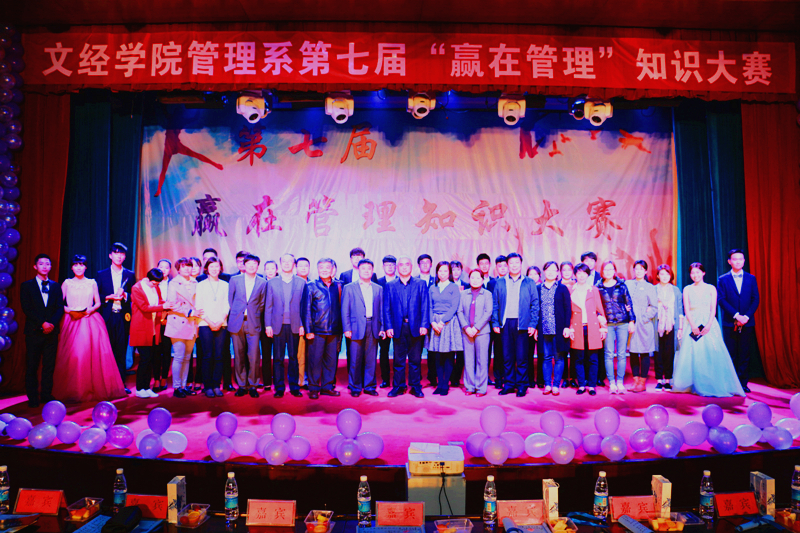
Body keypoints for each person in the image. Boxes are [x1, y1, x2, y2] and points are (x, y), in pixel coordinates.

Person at [52, 255, 127, 402]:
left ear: (86, 267)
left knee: (89, 355)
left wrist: (90, 310)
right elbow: (59, 304)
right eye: (76, 265)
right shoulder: (67, 283)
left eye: (81, 265)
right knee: (73, 356)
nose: (79, 267)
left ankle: (90, 388)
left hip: (89, 320)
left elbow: (98, 302)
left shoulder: (92, 282)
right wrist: (71, 311)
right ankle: (73, 389)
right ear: (71, 267)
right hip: (71, 320)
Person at [672, 263, 745, 397]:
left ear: (703, 273)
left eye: (698, 272)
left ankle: (711, 383)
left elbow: (713, 309)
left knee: (711, 352)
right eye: (692, 273)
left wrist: (709, 324)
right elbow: (686, 309)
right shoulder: (687, 289)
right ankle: (692, 383)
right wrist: (693, 325)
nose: (695, 275)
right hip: (692, 322)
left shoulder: (711, 288)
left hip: (708, 322)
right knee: (693, 353)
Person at [491, 253, 540, 397]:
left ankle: (522, 385)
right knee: (507, 357)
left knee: (522, 357)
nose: (514, 265)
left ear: (521, 264)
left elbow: (535, 304)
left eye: (517, 262)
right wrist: (495, 322)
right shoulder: (500, 282)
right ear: (507, 265)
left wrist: (533, 324)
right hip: (505, 323)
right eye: (511, 263)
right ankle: (509, 384)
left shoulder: (529, 282)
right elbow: (495, 304)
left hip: (522, 324)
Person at [20, 254, 64, 407]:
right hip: (33, 331)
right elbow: (27, 308)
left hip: (51, 332)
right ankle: (32, 397)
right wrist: (42, 323)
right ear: (35, 266)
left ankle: (46, 394)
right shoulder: (26, 286)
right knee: (32, 365)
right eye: (41, 264)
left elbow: (59, 308)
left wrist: (51, 324)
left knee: (49, 366)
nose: (45, 266)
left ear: (51, 267)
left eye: (47, 264)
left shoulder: (56, 286)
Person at [384, 256, 430, 398]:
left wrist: (424, 324)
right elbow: (386, 308)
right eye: (401, 265)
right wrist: (388, 326)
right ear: (397, 267)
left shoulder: (420, 284)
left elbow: (425, 305)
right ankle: (398, 386)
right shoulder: (390, 285)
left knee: (415, 360)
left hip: (416, 326)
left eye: (407, 264)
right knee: (398, 360)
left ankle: (415, 386)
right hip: (398, 327)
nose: (404, 267)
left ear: (411, 267)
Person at [717, 249, 760, 393]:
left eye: (740, 259)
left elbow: (755, 299)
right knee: (731, 354)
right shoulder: (723, 279)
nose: (738, 261)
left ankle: (743, 383)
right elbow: (721, 300)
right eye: (735, 259)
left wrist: (746, 317)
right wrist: (736, 315)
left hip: (747, 322)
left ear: (744, 261)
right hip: (730, 322)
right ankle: (731, 384)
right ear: (729, 261)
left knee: (744, 353)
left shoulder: (751, 278)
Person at [265, 253, 306, 398]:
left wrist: (302, 324)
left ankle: (294, 387)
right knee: (278, 358)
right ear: (280, 264)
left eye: (290, 261)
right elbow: (268, 306)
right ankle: (279, 387)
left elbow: (304, 306)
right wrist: (268, 325)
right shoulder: (272, 283)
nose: (287, 263)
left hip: (295, 325)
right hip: (277, 325)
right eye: (284, 261)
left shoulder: (301, 282)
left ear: (294, 264)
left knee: (294, 357)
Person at [96, 243, 136, 394]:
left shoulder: (129, 274)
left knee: (121, 350)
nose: (119, 256)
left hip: (122, 317)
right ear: (110, 255)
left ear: (125, 257)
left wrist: (125, 295)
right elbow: (96, 295)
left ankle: (120, 383)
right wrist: (108, 297)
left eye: (122, 254)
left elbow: (134, 295)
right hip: (106, 316)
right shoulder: (101, 274)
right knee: (106, 351)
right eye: (116, 253)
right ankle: (105, 383)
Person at [342, 258, 385, 397]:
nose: (366, 271)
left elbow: (382, 310)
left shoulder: (378, 288)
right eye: (363, 268)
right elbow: (345, 309)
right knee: (355, 358)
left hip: (373, 326)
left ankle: (369, 386)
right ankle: (355, 386)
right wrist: (346, 328)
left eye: (369, 268)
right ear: (358, 270)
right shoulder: (349, 287)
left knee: (371, 359)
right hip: (355, 327)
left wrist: (382, 327)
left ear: (372, 271)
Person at [303, 258, 343, 399]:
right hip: (317, 330)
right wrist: (309, 330)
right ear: (318, 269)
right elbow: (306, 310)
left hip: (335, 330)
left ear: (332, 269)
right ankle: (314, 387)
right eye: (321, 267)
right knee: (315, 360)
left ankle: (327, 387)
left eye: (327, 267)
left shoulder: (339, 286)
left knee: (331, 361)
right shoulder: (311, 286)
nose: (324, 270)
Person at [130, 268, 173, 398]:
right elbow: (144, 307)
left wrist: (168, 304)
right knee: (145, 358)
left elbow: (159, 301)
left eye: (157, 284)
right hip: (141, 327)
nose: (155, 286)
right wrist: (163, 306)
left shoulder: (156, 287)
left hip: (153, 327)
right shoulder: (137, 288)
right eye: (154, 283)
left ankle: (146, 387)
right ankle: (139, 388)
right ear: (148, 279)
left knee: (150, 359)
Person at [228, 253, 267, 398]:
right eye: (248, 263)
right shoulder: (235, 280)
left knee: (254, 355)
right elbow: (230, 300)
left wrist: (253, 314)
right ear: (244, 265)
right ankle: (242, 385)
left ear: (258, 266)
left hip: (253, 322)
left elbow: (262, 303)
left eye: (254, 264)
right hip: (237, 322)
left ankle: (253, 385)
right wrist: (237, 312)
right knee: (238, 355)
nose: (251, 266)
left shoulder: (262, 282)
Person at [596, 261, 636, 394]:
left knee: (621, 354)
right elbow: (595, 306)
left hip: (622, 323)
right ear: (602, 272)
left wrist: (632, 321)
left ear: (614, 271)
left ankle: (620, 382)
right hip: (607, 324)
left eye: (611, 269)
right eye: (605, 269)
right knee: (608, 353)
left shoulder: (622, 285)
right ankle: (612, 383)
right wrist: (598, 316)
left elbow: (629, 303)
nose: (608, 272)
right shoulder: (598, 287)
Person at [567, 263, 607, 396]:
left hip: (593, 328)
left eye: (584, 273)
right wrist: (570, 327)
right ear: (575, 275)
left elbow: (600, 309)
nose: (581, 275)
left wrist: (603, 328)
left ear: (588, 275)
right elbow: (568, 312)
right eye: (579, 273)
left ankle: (592, 386)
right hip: (577, 328)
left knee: (593, 358)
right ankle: (581, 385)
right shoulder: (570, 290)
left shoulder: (593, 290)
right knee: (578, 358)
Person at [165, 257, 201, 398]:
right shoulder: (173, 283)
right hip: (178, 323)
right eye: (183, 266)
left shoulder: (195, 282)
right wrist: (190, 311)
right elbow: (172, 303)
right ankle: (176, 387)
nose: (187, 269)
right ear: (178, 269)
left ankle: (184, 386)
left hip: (192, 323)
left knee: (187, 357)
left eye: (189, 266)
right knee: (179, 356)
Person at [535, 261, 572, 396]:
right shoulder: (538, 288)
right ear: (544, 272)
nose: (550, 272)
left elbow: (568, 309)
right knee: (546, 357)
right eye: (548, 270)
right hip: (543, 329)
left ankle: (556, 385)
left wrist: (567, 327)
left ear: (557, 273)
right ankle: (547, 385)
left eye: (553, 270)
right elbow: (535, 309)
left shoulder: (562, 288)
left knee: (559, 358)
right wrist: (536, 328)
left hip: (559, 329)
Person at [426, 261, 463, 396]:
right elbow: (429, 306)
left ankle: (445, 384)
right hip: (435, 322)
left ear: (449, 273)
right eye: (440, 271)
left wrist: (442, 322)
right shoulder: (432, 288)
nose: (442, 273)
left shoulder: (454, 287)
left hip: (448, 322)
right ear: (437, 273)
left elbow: (454, 307)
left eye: (445, 271)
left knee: (448, 355)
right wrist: (432, 322)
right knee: (437, 355)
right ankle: (439, 384)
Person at [195, 257, 230, 398]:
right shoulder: (201, 285)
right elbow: (198, 305)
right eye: (211, 266)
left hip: (222, 323)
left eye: (217, 266)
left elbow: (227, 304)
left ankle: (216, 385)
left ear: (220, 268)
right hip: (205, 324)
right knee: (207, 356)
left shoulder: (225, 285)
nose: (214, 269)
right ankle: (207, 386)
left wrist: (221, 320)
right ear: (207, 269)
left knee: (219, 356)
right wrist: (210, 322)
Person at [457, 269, 493, 396]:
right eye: (472, 277)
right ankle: (470, 387)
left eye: (478, 278)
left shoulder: (487, 294)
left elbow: (488, 313)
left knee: (482, 360)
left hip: (482, 332)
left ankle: (481, 388)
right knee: (468, 360)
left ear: (482, 280)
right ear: (469, 279)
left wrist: (476, 328)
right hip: (466, 332)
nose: (475, 280)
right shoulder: (463, 294)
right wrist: (466, 327)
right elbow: (459, 311)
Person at [626, 260, 658, 393]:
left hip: (644, 323)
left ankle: (642, 382)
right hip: (631, 322)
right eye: (636, 268)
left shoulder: (650, 287)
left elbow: (654, 307)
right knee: (633, 352)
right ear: (633, 270)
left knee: (644, 352)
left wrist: (644, 318)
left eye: (641, 269)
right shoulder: (627, 284)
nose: (638, 271)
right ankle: (635, 380)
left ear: (645, 271)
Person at [653, 264, 683, 391]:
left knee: (670, 352)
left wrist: (680, 328)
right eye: (662, 274)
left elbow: (680, 309)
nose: (665, 277)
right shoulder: (653, 289)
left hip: (672, 325)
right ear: (658, 276)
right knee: (658, 352)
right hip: (657, 325)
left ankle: (668, 379)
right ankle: (659, 380)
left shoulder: (676, 290)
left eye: (667, 274)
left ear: (671, 276)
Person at [376, 255, 397, 388]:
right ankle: (385, 379)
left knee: (399, 352)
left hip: (399, 322)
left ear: (396, 266)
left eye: (392, 265)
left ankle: (398, 379)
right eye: (387, 265)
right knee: (383, 351)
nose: (389, 267)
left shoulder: (401, 281)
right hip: (383, 323)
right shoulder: (377, 282)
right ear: (383, 267)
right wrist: (381, 325)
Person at [488, 255, 508, 389]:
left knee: (509, 352)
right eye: (500, 266)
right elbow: (491, 304)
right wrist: (495, 322)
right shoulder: (492, 283)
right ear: (496, 268)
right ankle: (498, 378)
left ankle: (508, 377)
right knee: (498, 351)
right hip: (496, 323)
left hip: (510, 322)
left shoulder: (513, 282)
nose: (502, 268)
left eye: (505, 266)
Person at [153, 258, 173, 392]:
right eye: (161, 267)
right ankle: (156, 379)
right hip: (154, 321)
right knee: (155, 351)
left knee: (166, 351)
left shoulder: (173, 284)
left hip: (169, 321)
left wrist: (167, 316)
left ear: (170, 270)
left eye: (166, 267)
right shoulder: (153, 283)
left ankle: (164, 377)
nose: (163, 270)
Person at [559, 261, 578, 389]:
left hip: (576, 320)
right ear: (560, 272)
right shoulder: (557, 285)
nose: (566, 272)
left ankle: (574, 378)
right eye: (564, 270)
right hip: (563, 322)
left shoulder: (577, 285)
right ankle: (565, 378)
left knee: (575, 352)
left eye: (569, 270)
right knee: (563, 352)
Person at [449, 260, 467, 388]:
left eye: (458, 269)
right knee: (449, 351)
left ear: (461, 271)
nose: (456, 272)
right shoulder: (446, 285)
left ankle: (456, 377)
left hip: (463, 321)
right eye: (453, 269)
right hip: (449, 321)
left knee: (461, 352)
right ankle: (449, 376)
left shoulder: (467, 285)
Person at [526, 265, 543, 388]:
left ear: (539, 276)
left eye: (535, 274)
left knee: (542, 353)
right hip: (530, 325)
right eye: (530, 274)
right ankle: (530, 379)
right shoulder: (525, 288)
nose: (533, 276)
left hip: (542, 325)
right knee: (528, 353)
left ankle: (541, 379)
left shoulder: (543, 288)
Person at [296, 257, 311, 390]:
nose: (303, 268)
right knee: (300, 355)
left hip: (313, 326)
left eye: (306, 266)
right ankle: (301, 380)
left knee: (310, 354)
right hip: (298, 325)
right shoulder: (293, 283)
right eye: (300, 266)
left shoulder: (313, 284)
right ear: (296, 268)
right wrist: (301, 324)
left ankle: (311, 379)